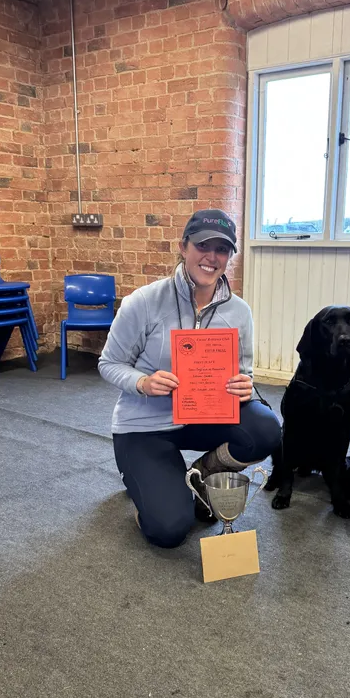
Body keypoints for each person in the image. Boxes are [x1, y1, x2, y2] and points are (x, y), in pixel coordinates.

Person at [98, 209, 281, 548]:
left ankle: (201, 472)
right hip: (144, 426)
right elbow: (109, 364)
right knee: (169, 529)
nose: (212, 257)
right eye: (202, 246)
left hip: (204, 417)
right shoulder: (144, 302)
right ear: (183, 247)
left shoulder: (239, 312)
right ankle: (148, 492)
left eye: (222, 249)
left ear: (229, 256)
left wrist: (245, 388)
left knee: (266, 428)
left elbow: (245, 373)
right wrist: (143, 383)